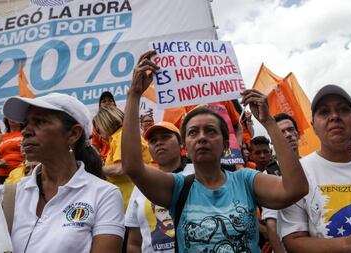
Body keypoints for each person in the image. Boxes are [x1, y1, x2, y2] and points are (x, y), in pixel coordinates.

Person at [121, 50, 308, 252]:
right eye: (193, 132)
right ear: (185, 146)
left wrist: (269, 123)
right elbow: (133, 166)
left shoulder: (246, 180)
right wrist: (134, 94)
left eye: (210, 131)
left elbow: (295, 189)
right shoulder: (177, 188)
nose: (202, 137)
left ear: (226, 145)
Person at [0, 92, 124, 253]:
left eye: (40, 121)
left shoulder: (104, 195)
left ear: (73, 134)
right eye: (26, 124)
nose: (25, 131)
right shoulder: (5, 196)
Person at [280, 84, 351, 253]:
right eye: (324, 112)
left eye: (343, 110)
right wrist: (348, 245)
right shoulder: (297, 174)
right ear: (313, 126)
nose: (335, 116)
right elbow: (293, 242)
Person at [125, 121, 194, 253]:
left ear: (181, 143)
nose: (158, 143)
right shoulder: (141, 184)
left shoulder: (198, 173)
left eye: (165, 137)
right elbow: (134, 242)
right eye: (153, 140)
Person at [93, 106, 151, 210]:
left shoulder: (121, 136)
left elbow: (121, 168)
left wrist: (94, 169)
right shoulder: (118, 137)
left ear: (106, 122)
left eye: (98, 129)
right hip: (132, 201)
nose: (98, 134)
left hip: (135, 201)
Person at [261, 113, 301, 253]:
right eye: (282, 132)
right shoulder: (270, 175)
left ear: (298, 133)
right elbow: (272, 226)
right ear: (274, 139)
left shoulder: (315, 168)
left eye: (291, 130)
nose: (288, 135)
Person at [92, 91, 116, 161]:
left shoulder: (122, 119)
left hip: (123, 157)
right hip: (106, 160)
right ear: (100, 106)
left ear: (114, 104)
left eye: (110, 100)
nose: (107, 103)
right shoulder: (97, 124)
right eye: (104, 101)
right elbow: (95, 146)